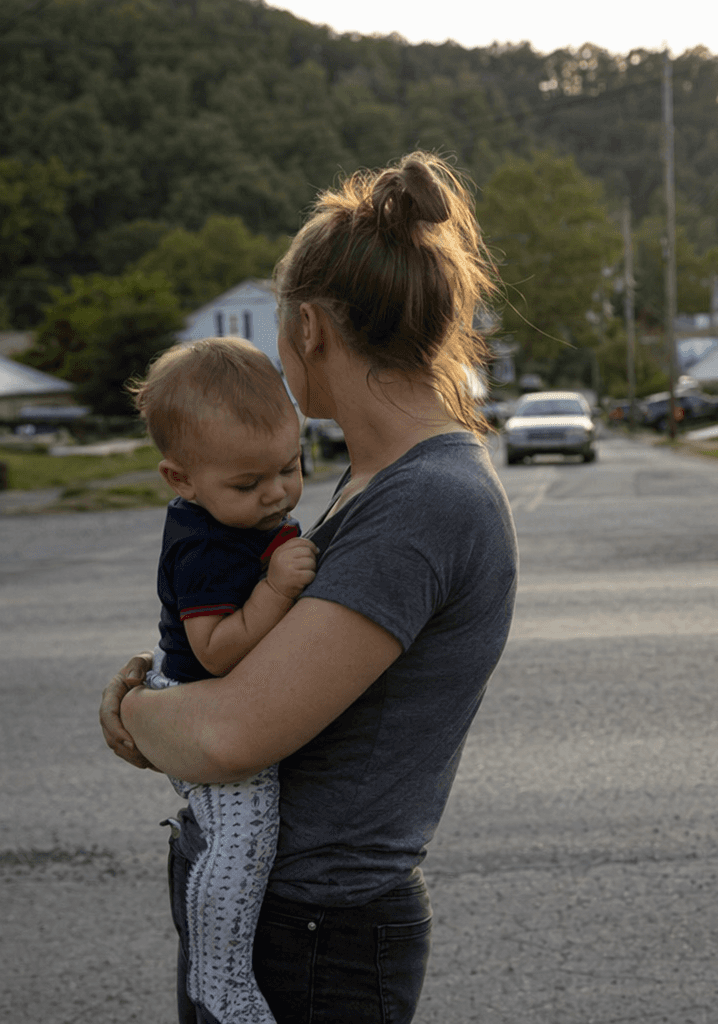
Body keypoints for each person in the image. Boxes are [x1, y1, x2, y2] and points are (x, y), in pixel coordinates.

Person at [100, 151, 518, 1024]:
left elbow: (229, 737)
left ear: (313, 329)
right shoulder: (378, 479)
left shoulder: (426, 502)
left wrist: (132, 711)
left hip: (316, 931)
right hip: (290, 915)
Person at [131, 335, 321, 1024]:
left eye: (290, 467)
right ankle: (220, 977)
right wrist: (274, 589)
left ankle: (221, 972)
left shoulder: (239, 515)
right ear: (180, 479)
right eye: (248, 485)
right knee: (241, 836)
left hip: (201, 698)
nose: (276, 494)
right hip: (195, 705)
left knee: (248, 832)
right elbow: (214, 651)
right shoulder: (207, 547)